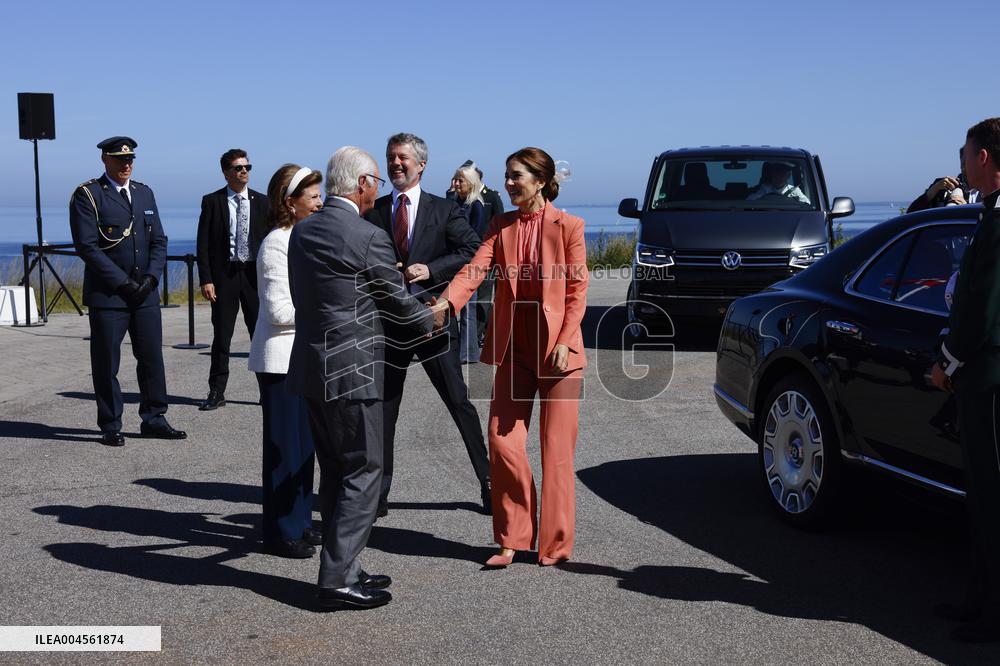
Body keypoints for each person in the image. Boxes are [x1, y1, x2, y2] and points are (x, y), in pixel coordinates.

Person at [286, 146, 436, 611]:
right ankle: (335, 579)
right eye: (377, 182)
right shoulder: (368, 235)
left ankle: (345, 563)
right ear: (364, 184)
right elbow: (395, 302)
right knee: (365, 470)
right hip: (353, 369)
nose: (380, 189)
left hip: (312, 366)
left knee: (334, 471)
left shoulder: (303, 231)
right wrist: (433, 317)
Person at [435, 147, 589, 567]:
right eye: (506, 175)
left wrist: (563, 339)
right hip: (514, 348)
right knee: (503, 442)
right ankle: (512, 537)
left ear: (540, 181)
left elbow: (577, 292)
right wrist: (448, 305)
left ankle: (554, 545)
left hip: (560, 352)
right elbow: (474, 270)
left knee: (556, 451)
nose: (507, 182)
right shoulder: (500, 225)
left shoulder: (570, 226)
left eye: (516, 175)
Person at [364, 133, 490, 516]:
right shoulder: (374, 210)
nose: (395, 164)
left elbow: (471, 250)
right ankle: (378, 495)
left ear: (421, 165)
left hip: (433, 318)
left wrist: (431, 269)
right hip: (389, 324)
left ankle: (488, 482)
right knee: (385, 410)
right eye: (390, 158)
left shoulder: (443, 209)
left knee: (458, 402)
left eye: (402, 158)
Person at [68, 137, 187, 447]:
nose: (127, 165)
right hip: (110, 295)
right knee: (107, 361)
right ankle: (110, 423)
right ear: (105, 161)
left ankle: (154, 417)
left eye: (130, 159)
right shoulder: (89, 195)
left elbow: (159, 240)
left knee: (151, 358)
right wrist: (123, 283)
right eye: (120, 160)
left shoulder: (144, 193)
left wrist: (151, 279)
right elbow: (88, 247)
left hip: (144, 293)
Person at [931, 117, 1000, 643]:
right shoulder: (989, 213)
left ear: (984, 159)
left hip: (990, 381)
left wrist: (946, 363)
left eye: (966, 149)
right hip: (982, 377)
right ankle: (979, 596)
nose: (960, 156)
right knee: (980, 493)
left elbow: (980, 310)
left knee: (992, 493)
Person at [248, 164, 324, 559]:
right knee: (283, 449)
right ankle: (280, 532)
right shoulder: (275, 243)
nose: (319, 201)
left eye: (319, 194)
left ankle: (302, 520)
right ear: (289, 202)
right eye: (311, 196)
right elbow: (278, 309)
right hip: (279, 360)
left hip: (305, 356)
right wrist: (325, 308)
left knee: (305, 446)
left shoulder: (307, 237)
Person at [196, 149, 270, 411]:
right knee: (222, 336)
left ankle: (268, 391)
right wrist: (206, 279)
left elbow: (271, 243)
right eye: (238, 168)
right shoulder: (212, 201)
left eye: (247, 167)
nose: (244, 171)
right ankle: (216, 392)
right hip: (224, 277)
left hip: (253, 277)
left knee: (260, 335)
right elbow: (203, 243)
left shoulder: (263, 202)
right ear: (226, 172)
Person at [451, 163, 488, 363]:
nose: (455, 184)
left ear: (470, 183)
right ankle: (461, 350)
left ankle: (468, 353)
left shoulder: (476, 205)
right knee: (457, 306)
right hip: (456, 259)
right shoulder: (456, 202)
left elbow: (476, 236)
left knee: (468, 309)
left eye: (460, 181)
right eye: (455, 180)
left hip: (470, 262)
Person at [907, 148, 981, 213]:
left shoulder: (988, 191)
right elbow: (911, 213)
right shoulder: (942, 186)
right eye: (964, 164)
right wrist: (932, 191)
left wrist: (968, 208)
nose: (967, 168)